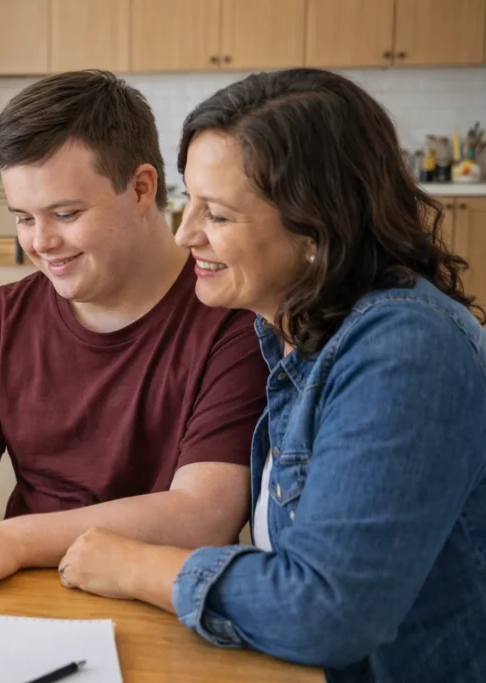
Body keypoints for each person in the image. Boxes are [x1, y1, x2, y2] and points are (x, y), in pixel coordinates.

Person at [56, 68, 486, 683]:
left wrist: (136, 567)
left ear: (315, 228)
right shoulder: (294, 332)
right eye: (189, 201)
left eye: (220, 215)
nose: (186, 234)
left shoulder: (405, 349)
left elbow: (326, 611)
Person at [0, 70, 269, 593]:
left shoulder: (233, 324)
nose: (40, 242)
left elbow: (202, 515)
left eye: (65, 213)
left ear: (142, 188)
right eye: (23, 217)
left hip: (163, 605)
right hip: (20, 597)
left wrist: (11, 541)